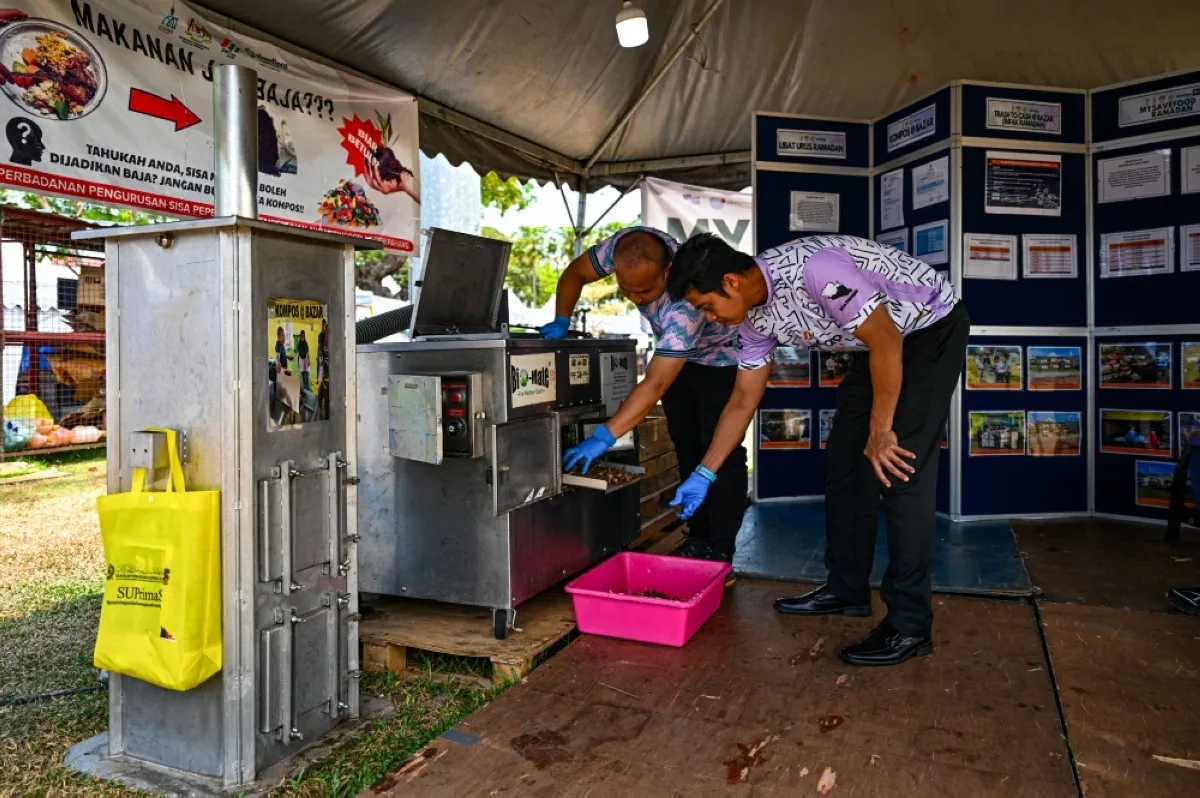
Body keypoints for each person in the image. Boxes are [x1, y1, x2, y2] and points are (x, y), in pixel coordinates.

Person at [666, 233, 969, 667]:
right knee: (844, 462)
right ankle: (846, 587)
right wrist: (705, 472)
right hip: (878, 344)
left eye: (706, 306)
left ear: (731, 281)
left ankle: (909, 625)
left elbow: (887, 341)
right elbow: (741, 400)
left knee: (899, 469)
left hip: (928, 328)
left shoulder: (817, 272)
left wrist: (882, 430)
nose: (709, 318)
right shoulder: (752, 320)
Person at [543, 227, 747, 562]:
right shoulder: (625, 248)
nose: (637, 298)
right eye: (628, 290)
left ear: (667, 271)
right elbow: (575, 273)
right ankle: (698, 537)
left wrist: (603, 437)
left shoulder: (685, 305)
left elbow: (655, 384)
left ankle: (721, 547)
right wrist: (562, 317)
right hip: (676, 359)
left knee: (720, 450)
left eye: (647, 290)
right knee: (686, 445)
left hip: (721, 362)